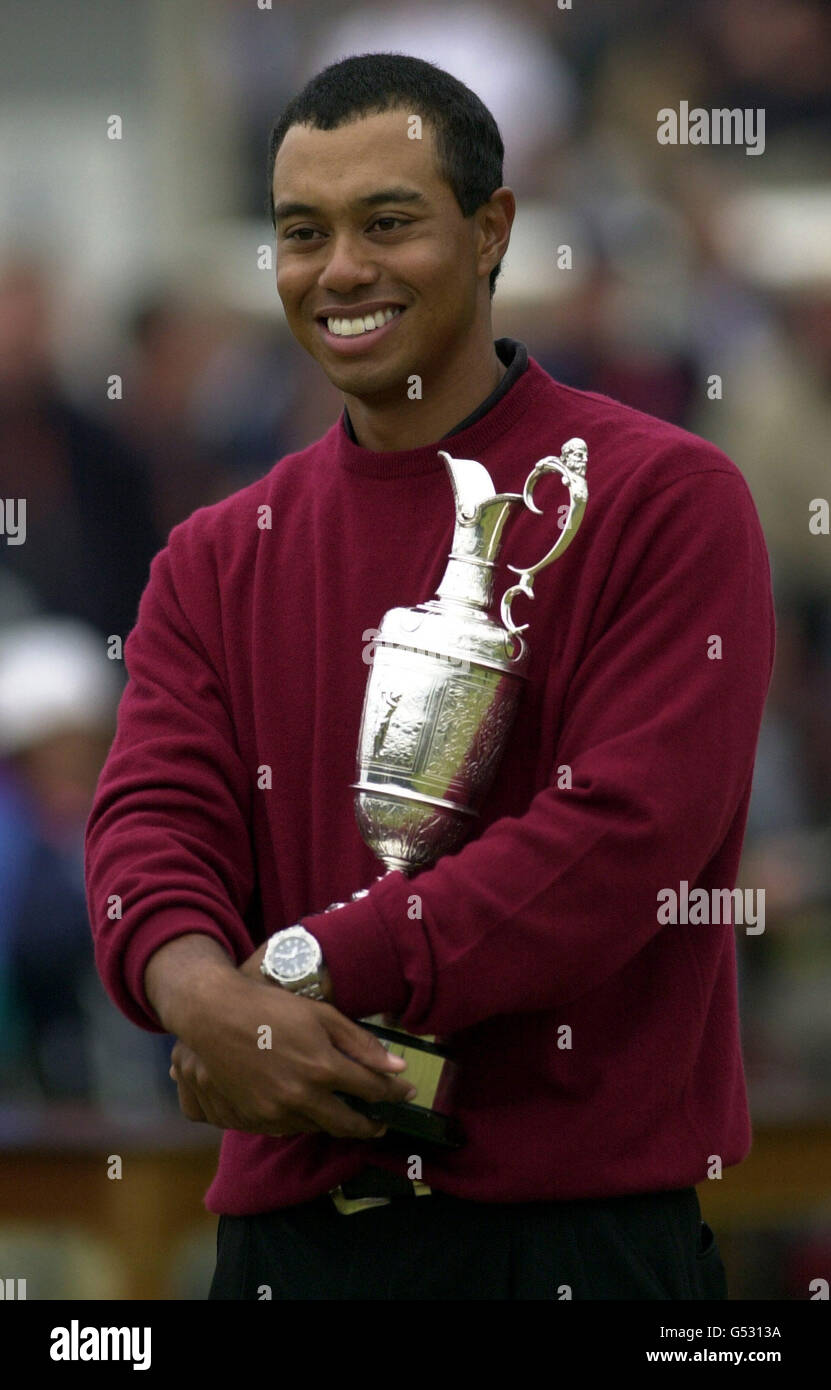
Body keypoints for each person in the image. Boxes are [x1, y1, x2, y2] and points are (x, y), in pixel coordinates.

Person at [85, 53, 775, 1300]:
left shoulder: (665, 499)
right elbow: (148, 827)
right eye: (305, 232)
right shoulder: (213, 554)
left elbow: (622, 843)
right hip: (286, 1250)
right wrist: (193, 996)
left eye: (388, 222)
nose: (341, 269)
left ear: (491, 229)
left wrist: (290, 977)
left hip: (572, 1242)